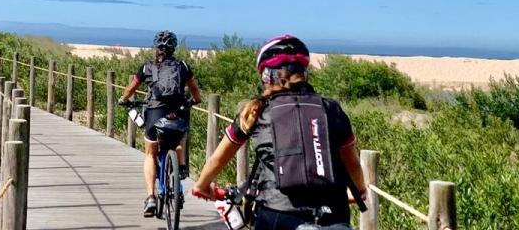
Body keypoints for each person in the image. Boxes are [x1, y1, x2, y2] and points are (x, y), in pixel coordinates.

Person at [192, 35, 367, 229]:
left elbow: (219, 158)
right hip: (332, 213)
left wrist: (202, 186)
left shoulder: (256, 111)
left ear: (267, 76)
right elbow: (352, 164)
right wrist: (360, 190)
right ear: (304, 73)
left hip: (277, 213)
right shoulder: (331, 109)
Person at [120, 30, 203, 217]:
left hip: (155, 112)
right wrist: (196, 100)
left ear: (156, 48)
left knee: (150, 153)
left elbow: (132, 87)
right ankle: (180, 167)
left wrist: (124, 99)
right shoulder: (182, 66)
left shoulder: (146, 67)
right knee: (180, 134)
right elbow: (194, 89)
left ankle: (150, 197)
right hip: (178, 111)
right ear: (174, 49)